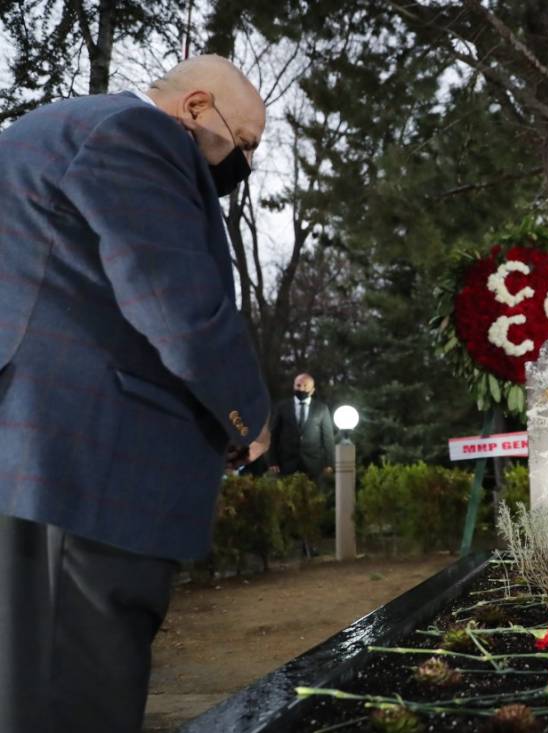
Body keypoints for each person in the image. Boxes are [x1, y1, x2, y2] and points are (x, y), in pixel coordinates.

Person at [0, 55, 271, 732]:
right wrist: (249, 416)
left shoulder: (48, 129)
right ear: (194, 106)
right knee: (78, 697)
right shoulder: (137, 134)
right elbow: (178, 305)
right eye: (241, 145)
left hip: (33, 460)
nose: (239, 168)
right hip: (86, 469)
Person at [268, 373, 336, 486]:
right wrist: (272, 461)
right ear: (294, 386)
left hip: (314, 466)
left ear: (312, 390)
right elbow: (273, 435)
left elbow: (328, 438)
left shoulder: (322, 409)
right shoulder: (282, 407)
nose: (301, 388)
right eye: (298, 385)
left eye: (305, 386)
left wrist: (329, 464)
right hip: (287, 464)